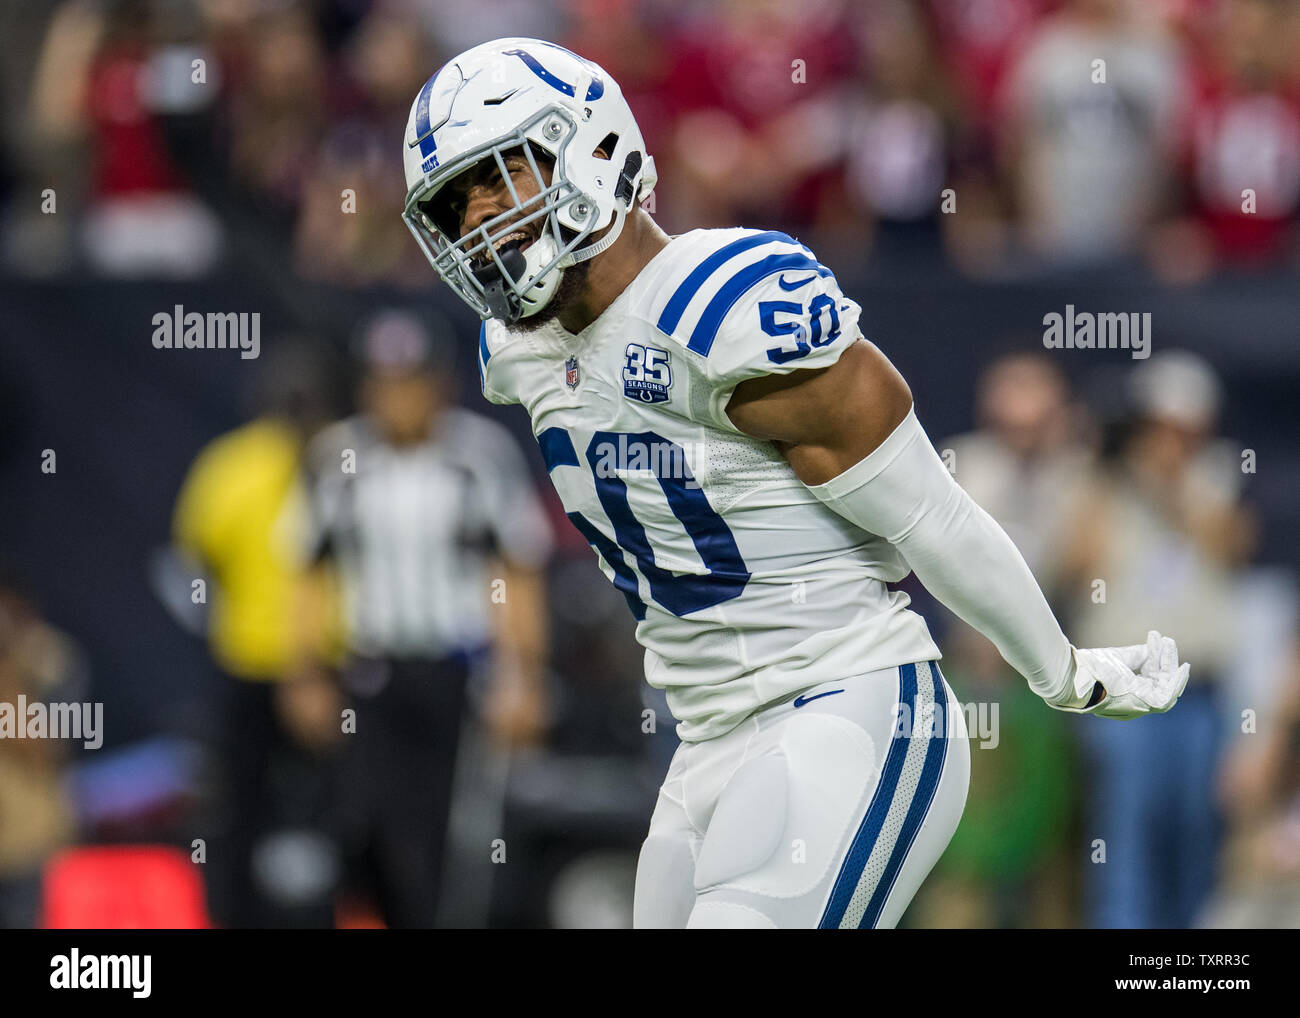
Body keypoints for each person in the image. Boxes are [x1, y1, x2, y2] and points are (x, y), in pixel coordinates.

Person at [399, 37, 1190, 929]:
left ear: (593, 148)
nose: (480, 222)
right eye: (455, 205)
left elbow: (930, 513)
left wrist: (1062, 670)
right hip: (706, 741)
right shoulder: (517, 353)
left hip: (846, 703)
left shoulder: (719, 306)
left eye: (502, 177)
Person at [300, 309, 553, 927]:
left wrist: (522, 676)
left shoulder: (479, 457)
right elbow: (308, 570)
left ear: (442, 383)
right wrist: (303, 674)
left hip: (454, 676)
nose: (400, 398)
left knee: (453, 838)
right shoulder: (338, 460)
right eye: (387, 382)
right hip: (370, 675)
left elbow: (515, 572)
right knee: (363, 828)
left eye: (412, 381)